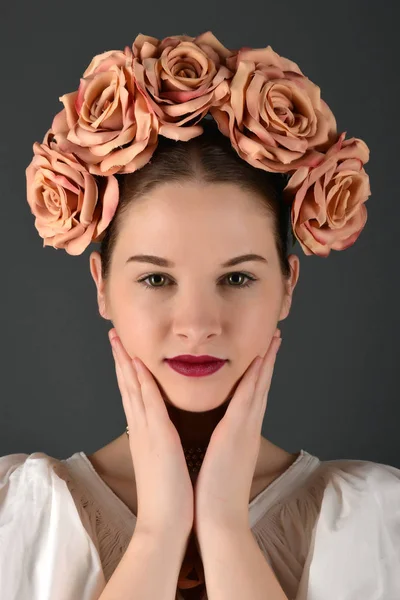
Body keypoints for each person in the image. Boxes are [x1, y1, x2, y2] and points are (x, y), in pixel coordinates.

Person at [1, 32, 399, 600]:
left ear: (288, 285)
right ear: (102, 287)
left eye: (237, 278)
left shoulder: (379, 522)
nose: (197, 323)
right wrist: (159, 533)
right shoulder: (13, 517)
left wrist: (224, 526)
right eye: (156, 278)